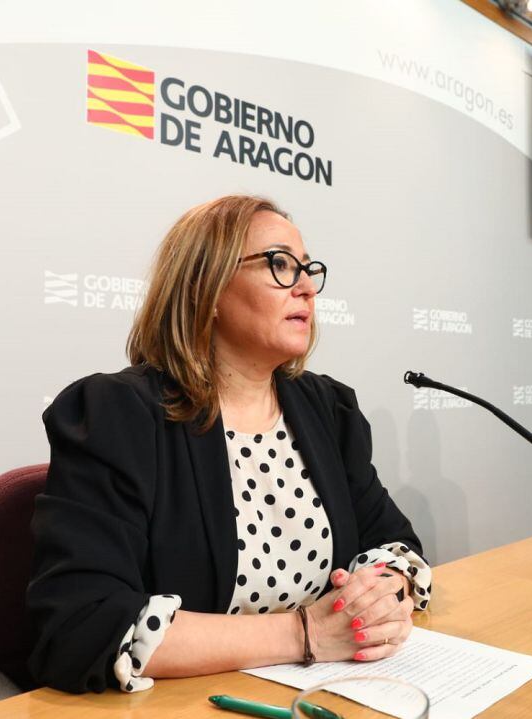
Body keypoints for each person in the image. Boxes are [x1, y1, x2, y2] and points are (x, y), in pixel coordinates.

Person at [27, 195, 432, 694]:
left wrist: (384, 594)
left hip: (327, 692)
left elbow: (395, 544)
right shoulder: (119, 415)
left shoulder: (328, 409)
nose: (306, 287)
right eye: (281, 265)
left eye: (309, 270)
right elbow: (83, 624)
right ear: (206, 289)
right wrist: (305, 633)